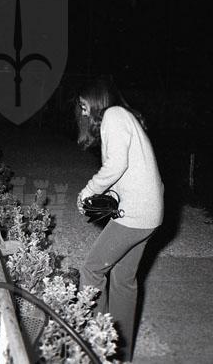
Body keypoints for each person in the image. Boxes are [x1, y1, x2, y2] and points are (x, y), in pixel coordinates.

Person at [75, 77, 163, 361]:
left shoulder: (113, 115)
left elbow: (116, 165)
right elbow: (128, 173)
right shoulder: (124, 117)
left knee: (92, 269)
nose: (82, 111)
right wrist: (107, 198)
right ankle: (119, 355)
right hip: (149, 214)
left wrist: (88, 192)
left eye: (84, 104)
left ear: (96, 100)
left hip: (135, 214)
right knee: (124, 280)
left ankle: (99, 346)